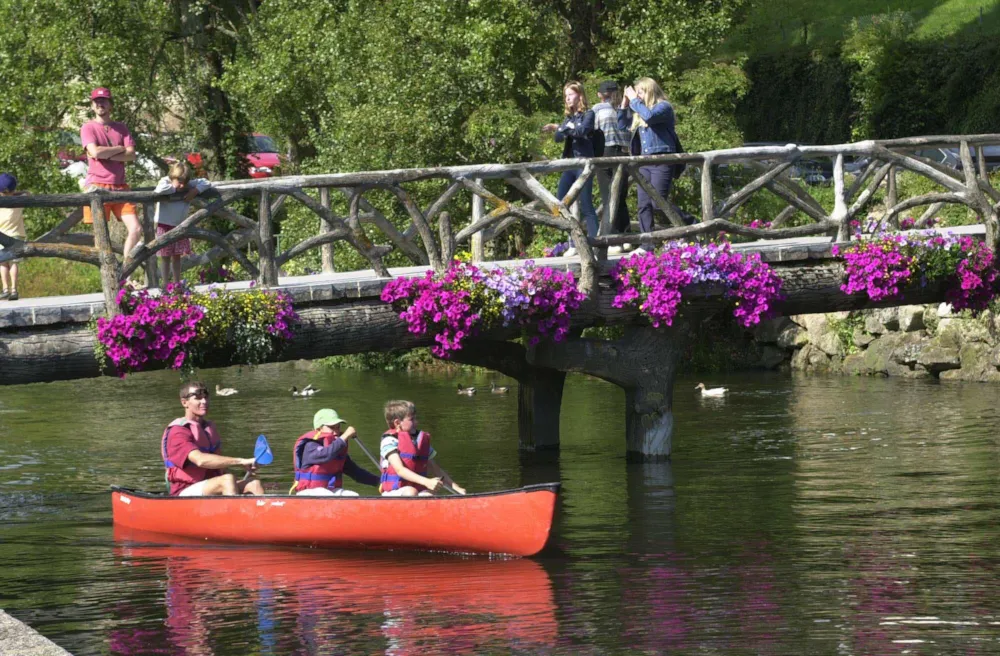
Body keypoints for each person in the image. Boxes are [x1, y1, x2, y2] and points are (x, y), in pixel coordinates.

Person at [161, 381, 264, 496]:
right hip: (183, 491)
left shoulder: (208, 428)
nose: (204, 402)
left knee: (254, 483)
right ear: (185, 402)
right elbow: (200, 460)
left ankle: (263, 513)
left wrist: (247, 466)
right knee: (227, 480)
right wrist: (240, 461)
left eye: (206, 397)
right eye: (198, 398)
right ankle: (232, 513)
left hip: (211, 485)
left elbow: (218, 466)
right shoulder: (178, 431)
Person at [619, 77, 686, 253]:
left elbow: (650, 116)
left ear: (649, 90)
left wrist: (634, 100)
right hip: (644, 162)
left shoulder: (663, 107)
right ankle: (646, 244)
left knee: (658, 203)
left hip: (662, 159)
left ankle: (690, 226)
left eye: (640, 92)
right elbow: (621, 125)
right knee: (643, 204)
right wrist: (625, 104)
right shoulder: (639, 110)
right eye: (636, 92)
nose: (638, 96)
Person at [80, 87, 142, 260]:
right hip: (97, 186)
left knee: (136, 229)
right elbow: (95, 152)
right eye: (97, 101)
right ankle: (112, 277)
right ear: (92, 105)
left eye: (104, 101)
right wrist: (119, 149)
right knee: (102, 238)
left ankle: (125, 272)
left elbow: (131, 155)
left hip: (120, 186)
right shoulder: (88, 127)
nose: (100, 104)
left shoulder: (121, 128)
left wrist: (106, 153)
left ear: (110, 105)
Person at [542, 81, 598, 257]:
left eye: (570, 95)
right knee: (561, 202)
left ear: (580, 95)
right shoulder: (569, 118)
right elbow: (559, 137)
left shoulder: (589, 114)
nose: (567, 98)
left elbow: (581, 132)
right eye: (565, 96)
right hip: (569, 165)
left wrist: (564, 128)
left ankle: (595, 245)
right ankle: (574, 241)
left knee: (587, 205)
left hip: (583, 165)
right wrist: (563, 127)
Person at [379, 400, 465, 496]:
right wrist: (427, 482)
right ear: (397, 423)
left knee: (429, 494)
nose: (416, 422)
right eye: (412, 419)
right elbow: (400, 470)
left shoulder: (418, 441)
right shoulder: (389, 441)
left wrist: (457, 489)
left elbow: (436, 469)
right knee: (411, 492)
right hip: (395, 492)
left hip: (416, 490)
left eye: (416, 418)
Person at [291, 408, 380, 496]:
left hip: (330, 491)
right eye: (332, 428)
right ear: (319, 429)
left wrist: (379, 482)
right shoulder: (310, 446)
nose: (336, 432)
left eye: (337, 427)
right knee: (326, 494)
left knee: (353, 495)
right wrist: (345, 436)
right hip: (308, 492)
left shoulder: (337, 450)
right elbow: (326, 454)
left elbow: (355, 472)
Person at [154, 161, 211, 286]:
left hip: (180, 225)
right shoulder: (166, 182)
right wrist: (173, 188)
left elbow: (206, 182)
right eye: (179, 182)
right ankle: (165, 285)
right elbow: (159, 190)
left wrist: (194, 190)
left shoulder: (188, 184)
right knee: (165, 256)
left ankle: (176, 284)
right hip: (164, 225)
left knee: (177, 256)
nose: (181, 186)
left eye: (184, 183)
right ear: (172, 177)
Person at [593, 81, 632, 253]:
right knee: (621, 195)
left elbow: (590, 129)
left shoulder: (599, 108)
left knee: (608, 196)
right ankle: (626, 237)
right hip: (624, 153)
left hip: (606, 151)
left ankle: (614, 239)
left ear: (601, 94)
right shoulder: (626, 108)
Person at [0, 173, 26, 301]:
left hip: (1, 236)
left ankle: (5, 289)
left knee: (3, 263)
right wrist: (15, 192)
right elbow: (28, 193)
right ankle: (14, 289)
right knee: (14, 263)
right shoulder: (18, 202)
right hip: (17, 235)